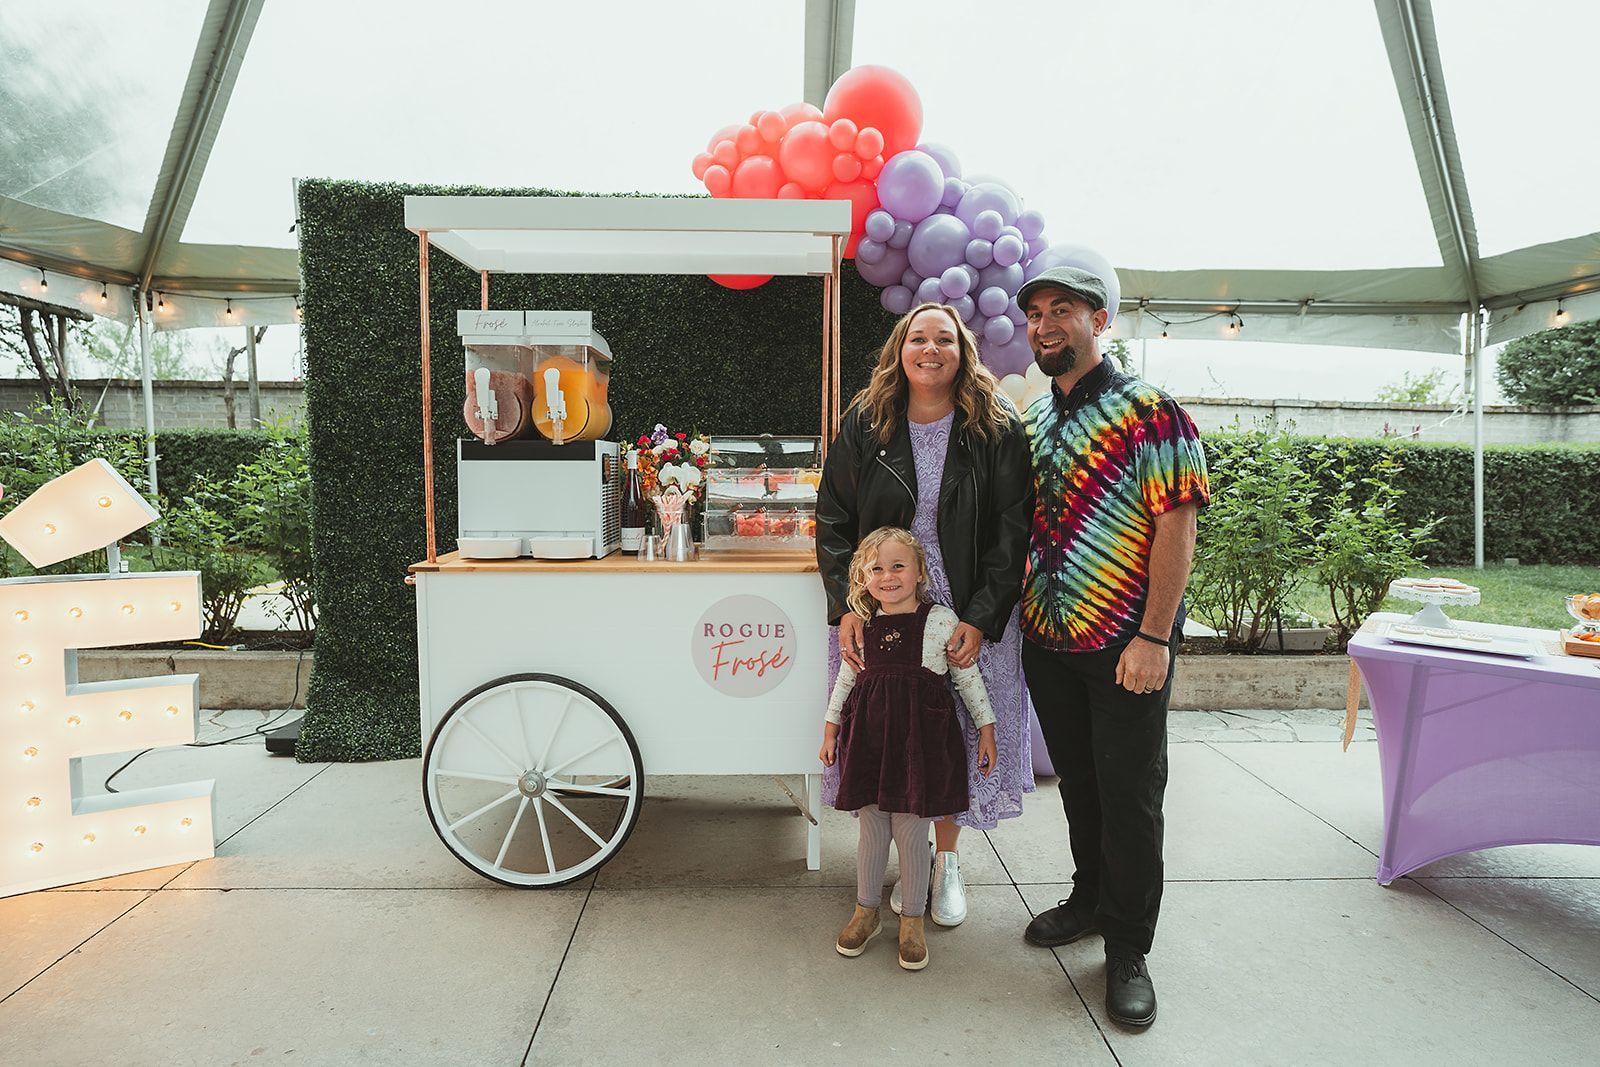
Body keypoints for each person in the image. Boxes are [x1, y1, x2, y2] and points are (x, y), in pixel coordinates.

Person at [1015, 266, 1210, 1028]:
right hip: (1049, 641)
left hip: (1128, 643)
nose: (1045, 324)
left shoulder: (1151, 413)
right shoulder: (1032, 420)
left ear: (1101, 319)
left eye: (1062, 309)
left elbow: (1178, 528)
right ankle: (1090, 897)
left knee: (1130, 794)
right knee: (1080, 784)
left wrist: (1156, 635)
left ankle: (1129, 945)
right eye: (1034, 312)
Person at [815, 302, 1032, 927]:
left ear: (963, 350)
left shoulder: (995, 425)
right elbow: (833, 518)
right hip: (882, 599)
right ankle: (890, 858)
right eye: (918, 338)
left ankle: (945, 862)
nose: (930, 349)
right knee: (887, 726)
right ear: (899, 349)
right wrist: (846, 606)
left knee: (956, 733)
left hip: (967, 603)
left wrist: (984, 617)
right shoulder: (867, 420)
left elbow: (1012, 530)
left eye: (945, 338)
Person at [820, 527, 997, 970]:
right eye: (876, 568)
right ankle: (866, 911)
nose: (888, 576)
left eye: (898, 566)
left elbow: (967, 678)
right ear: (863, 576)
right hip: (870, 741)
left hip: (921, 743)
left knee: (913, 832)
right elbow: (847, 679)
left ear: (920, 572)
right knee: (873, 828)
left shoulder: (939, 620)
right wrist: (829, 729)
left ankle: (913, 921)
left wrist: (987, 728)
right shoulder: (862, 623)